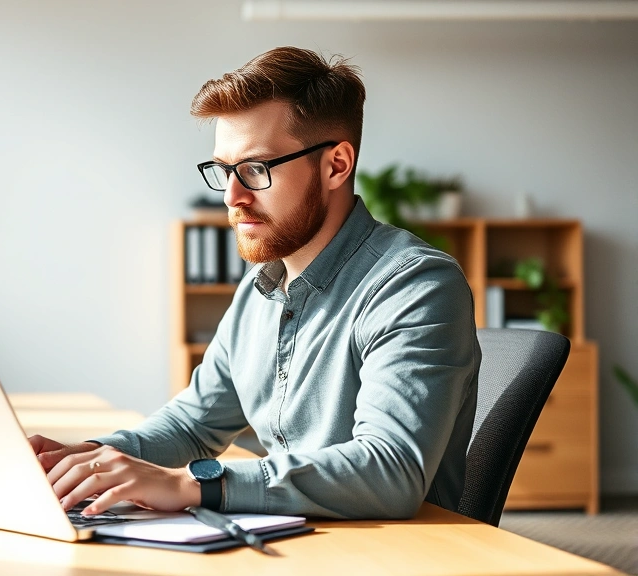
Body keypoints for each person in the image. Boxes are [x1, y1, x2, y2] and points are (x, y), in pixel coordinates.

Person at [30, 46, 480, 520]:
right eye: (224, 170)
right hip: (293, 539)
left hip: (396, 554)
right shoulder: (260, 288)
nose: (232, 196)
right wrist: (85, 459)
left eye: (255, 169)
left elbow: (390, 471)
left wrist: (191, 484)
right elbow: (193, 424)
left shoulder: (415, 286)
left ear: (336, 165)